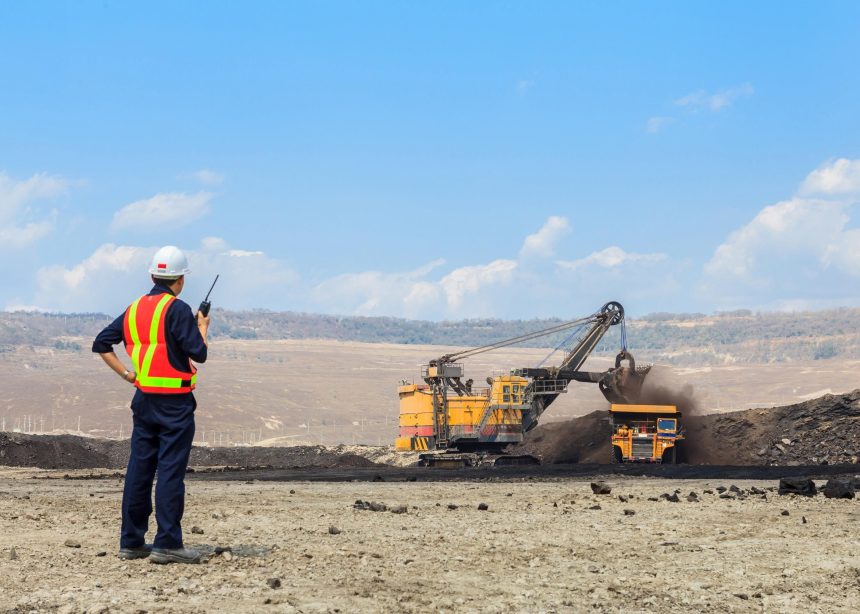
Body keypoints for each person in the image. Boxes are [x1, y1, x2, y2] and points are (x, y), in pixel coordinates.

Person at [92, 245, 209, 564]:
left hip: (143, 401)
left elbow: (101, 343)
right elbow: (199, 353)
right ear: (180, 280)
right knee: (170, 471)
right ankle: (168, 543)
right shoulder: (178, 309)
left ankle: (131, 541)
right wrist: (202, 328)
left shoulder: (133, 309)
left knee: (139, 470)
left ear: (152, 275)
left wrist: (128, 375)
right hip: (175, 405)